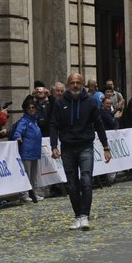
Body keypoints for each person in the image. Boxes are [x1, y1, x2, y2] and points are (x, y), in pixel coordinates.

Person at [49, 71, 112, 230]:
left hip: (85, 146)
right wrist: (54, 146)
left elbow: (99, 124)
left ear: (82, 84)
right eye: (72, 83)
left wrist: (106, 147)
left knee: (86, 180)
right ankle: (77, 215)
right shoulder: (59, 103)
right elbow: (54, 125)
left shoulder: (90, 102)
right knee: (72, 184)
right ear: (68, 85)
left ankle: (85, 215)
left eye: (78, 82)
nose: (75, 85)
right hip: (67, 148)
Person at [12, 98, 44, 202]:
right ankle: (24, 194)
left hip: (35, 151)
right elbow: (18, 131)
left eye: (33, 107)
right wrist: (18, 137)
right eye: (29, 108)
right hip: (26, 151)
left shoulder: (34, 121)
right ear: (25, 109)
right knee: (26, 174)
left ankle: (33, 193)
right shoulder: (24, 121)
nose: (31, 109)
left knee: (33, 175)